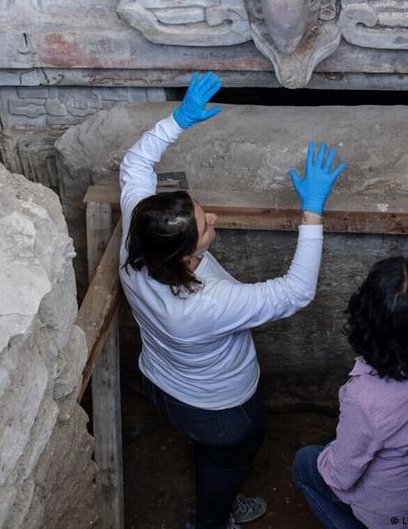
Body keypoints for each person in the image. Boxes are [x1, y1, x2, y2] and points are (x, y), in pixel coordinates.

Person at [119, 71, 347, 529]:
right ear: (188, 255)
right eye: (206, 225)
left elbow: (135, 163)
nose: (215, 218)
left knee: (210, 447)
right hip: (221, 407)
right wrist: (312, 211)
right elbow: (294, 292)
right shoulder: (207, 304)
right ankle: (212, 519)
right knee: (228, 458)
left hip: (160, 382)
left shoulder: (136, 239)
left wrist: (178, 120)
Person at [292, 257, 408, 529]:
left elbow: (340, 477)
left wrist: (332, 452)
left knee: (306, 461)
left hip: (389, 515)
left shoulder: (364, 398)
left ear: (367, 317)